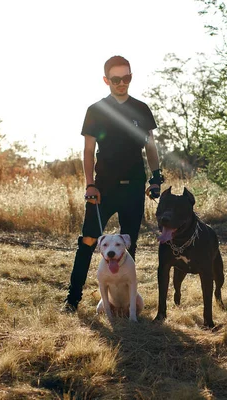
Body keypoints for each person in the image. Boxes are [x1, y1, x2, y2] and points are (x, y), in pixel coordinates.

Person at [64, 55, 163, 312]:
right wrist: (89, 185)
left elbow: (150, 146)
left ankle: (124, 306)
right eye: (116, 79)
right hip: (103, 188)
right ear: (106, 80)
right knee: (88, 240)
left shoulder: (141, 109)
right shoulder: (96, 110)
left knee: (128, 246)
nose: (122, 83)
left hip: (133, 187)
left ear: (131, 77)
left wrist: (155, 177)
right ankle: (72, 300)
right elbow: (88, 151)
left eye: (126, 78)